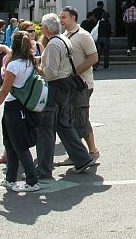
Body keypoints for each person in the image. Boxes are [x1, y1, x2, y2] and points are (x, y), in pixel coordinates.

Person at [35, 13, 97, 179]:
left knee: (46, 128)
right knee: (63, 124)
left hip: (56, 87)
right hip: (66, 85)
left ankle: (43, 169)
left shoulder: (53, 44)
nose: (41, 28)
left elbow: (50, 72)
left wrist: (38, 68)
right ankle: (82, 158)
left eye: (42, 26)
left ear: (46, 28)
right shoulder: (63, 39)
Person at [0, 32, 41, 192]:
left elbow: (4, 91)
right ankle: (10, 178)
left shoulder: (14, 65)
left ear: (13, 45)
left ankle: (32, 180)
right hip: (23, 106)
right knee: (10, 144)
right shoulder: (30, 62)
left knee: (18, 146)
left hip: (13, 107)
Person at [61, 6, 100, 161]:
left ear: (73, 18)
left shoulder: (83, 35)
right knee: (72, 118)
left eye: (64, 17)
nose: (61, 20)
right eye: (60, 17)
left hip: (82, 84)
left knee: (80, 118)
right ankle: (78, 153)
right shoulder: (64, 35)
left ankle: (92, 152)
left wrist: (75, 72)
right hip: (68, 84)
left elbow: (93, 58)